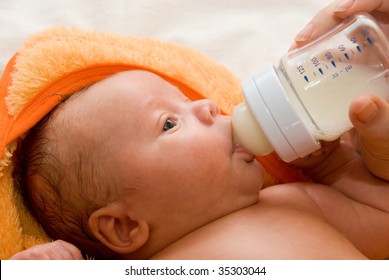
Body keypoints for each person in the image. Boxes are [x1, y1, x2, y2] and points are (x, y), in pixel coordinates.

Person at [9, 0, 389, 260]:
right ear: (123, 227)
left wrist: (334, 167)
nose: (207, 106)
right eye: (169, 123)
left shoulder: (296, 202)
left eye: (186, 100)